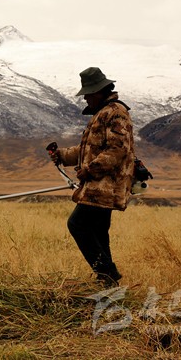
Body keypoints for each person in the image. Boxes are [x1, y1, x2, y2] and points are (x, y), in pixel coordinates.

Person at [48, 67, 135, 287]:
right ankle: (107, 282)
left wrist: (90, 169)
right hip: (99, 184)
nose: (85, 98)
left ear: (98, 92)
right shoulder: (103, 113)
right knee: (98, 232)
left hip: (106, 185)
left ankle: (107, 274)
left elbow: (118, 149)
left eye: (88, 94)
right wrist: (63, 156)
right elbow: (90, 149)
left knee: (77, 224)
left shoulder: (115, 113)